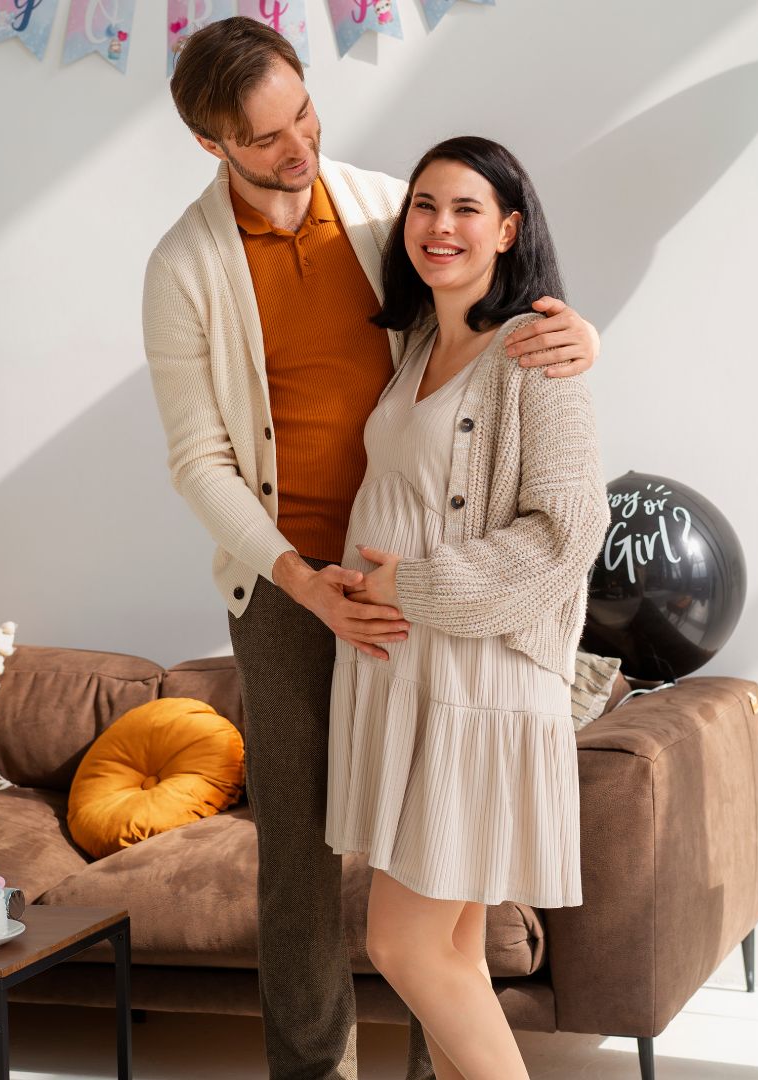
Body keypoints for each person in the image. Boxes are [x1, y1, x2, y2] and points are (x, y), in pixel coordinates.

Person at [142, 18, 602, 1080]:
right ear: (215, 146)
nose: (298, 149)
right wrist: (302, 581)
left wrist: (584, 334)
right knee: (304, 857)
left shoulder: (384, 208)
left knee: (433, 873)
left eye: (303, 113)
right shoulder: (184, 268)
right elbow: (198, 459)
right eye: (264, 139)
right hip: (293, 584)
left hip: (434, 586)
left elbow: (488, 295)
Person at [325, 136, 610, 1080]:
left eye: (466, 210)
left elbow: (568, 532)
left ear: (509, 228)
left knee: (405, 947)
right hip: (415, 674)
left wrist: (410, 585)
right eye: (423, 207)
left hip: (476, 683)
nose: (440, 228)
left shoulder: (532, 349)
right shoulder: (416, 348)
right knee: (448, 959)